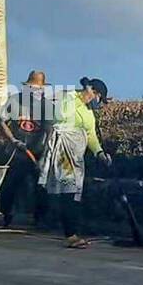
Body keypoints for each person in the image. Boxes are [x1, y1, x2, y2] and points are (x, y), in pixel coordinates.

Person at [38, 77, 111, 249]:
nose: (96, 101)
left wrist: (99, 153)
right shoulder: (68, 98)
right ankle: (70, 234)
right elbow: (61, 116)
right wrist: (80, 100)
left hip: (77, 156)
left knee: (75, 192)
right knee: (68, 190)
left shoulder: (88, 113)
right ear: (90, 90)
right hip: (63, 153)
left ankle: (73, 230)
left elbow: (91, 135)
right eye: (97, 96)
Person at [0, 70, 54, 228]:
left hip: (36, 153)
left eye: (39, 89)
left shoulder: (46, 105)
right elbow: (1, 121)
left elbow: (49, 130)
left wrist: (44, 153)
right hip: (16, 153)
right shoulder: (15, 101)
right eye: (32, 88)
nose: (36, 91)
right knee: (10, 185)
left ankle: (41, 219)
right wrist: (13, 140)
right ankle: (5, 216)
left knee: (41, 186)